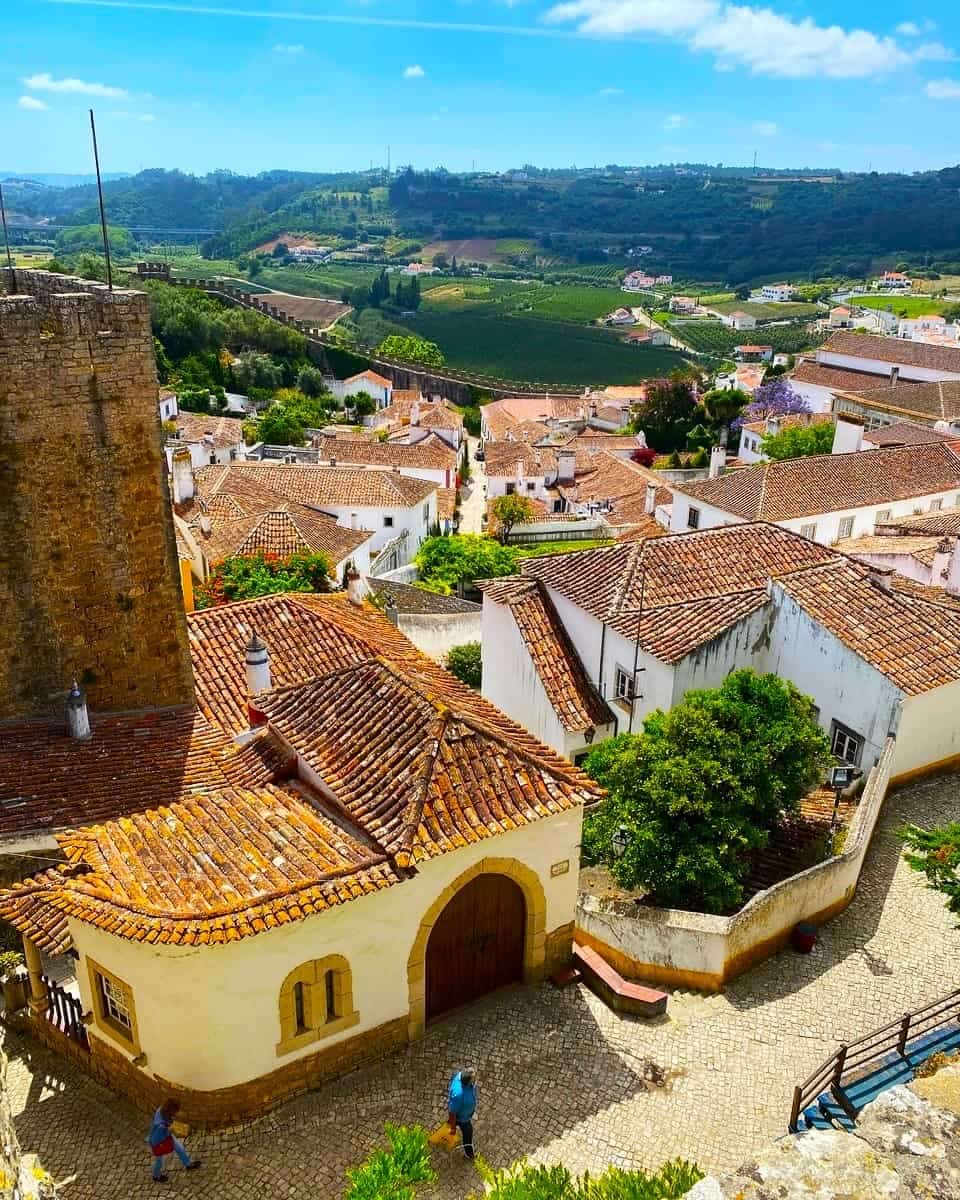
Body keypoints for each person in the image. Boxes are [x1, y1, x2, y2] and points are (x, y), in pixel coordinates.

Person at [147, 1099, 202, 1183]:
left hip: (165, 1134)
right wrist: (170, 1131)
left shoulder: (161, 1110)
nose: (176, 1113)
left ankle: (188, 1164)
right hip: (158, 1141)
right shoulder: (161, 1125)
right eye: (175, 1111)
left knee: (180, 1148)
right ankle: (156, 1176)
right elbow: (158, 1138)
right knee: (159, 1161)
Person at [447, 1067, 478, 1160]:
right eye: (473, 1079)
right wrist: (453, 1127)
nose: (476, 1080)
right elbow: (452, 1113)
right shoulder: (458, 1094)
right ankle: (469, 1154)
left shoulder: (461, 1075)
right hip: (463, 1119)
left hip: (465, 1114)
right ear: (468, 1082)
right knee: (468, 1135)